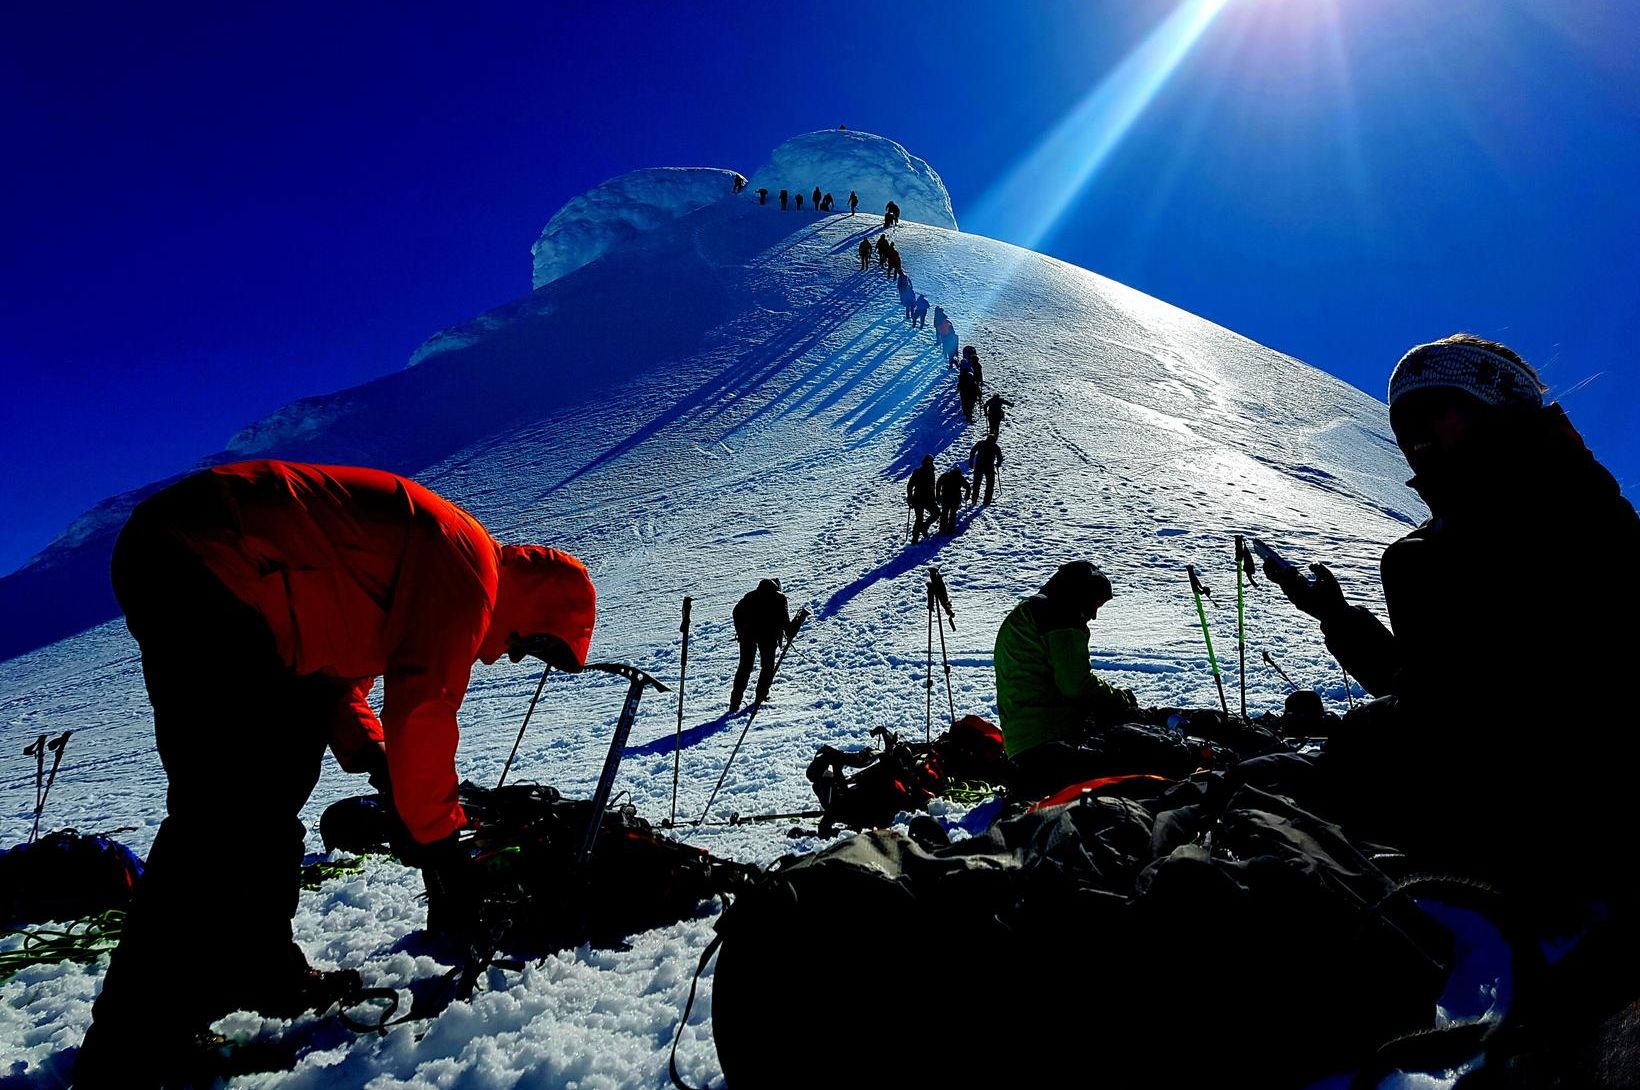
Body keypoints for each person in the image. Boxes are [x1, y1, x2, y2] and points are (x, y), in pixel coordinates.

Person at [73, 461, 598, 1087]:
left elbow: (334, 673)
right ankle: (130, 1044)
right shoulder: (467, 569)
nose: (510, 654)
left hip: (216, 572)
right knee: (219, 815)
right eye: (528, 645)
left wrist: (374, 755)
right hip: (209, 561)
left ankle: (261, 970)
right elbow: (423, 704)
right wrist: (437, 837)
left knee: (270, 788)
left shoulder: (438, 558)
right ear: (534, 605)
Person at [1264, 334, 1640, 925]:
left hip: (1554, 848)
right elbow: (1431, 688)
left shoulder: (1577, 521)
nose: (1416, 439)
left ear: (1503, 411)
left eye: (1437, 412)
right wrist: (1334, 617)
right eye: (1403, 423)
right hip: (1493, 835)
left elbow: (1516, 713)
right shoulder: (1437, 547)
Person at [993, 562, 1139, 790]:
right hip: (1049, 740)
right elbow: (1076, 685)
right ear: (1082, 596)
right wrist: (1120, 700)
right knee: (1133, 762)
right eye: (1095, 604)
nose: (1094, 615)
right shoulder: (1058, 615)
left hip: (1021, 743)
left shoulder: (1028, 612)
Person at [730, 578, 797, 713]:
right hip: (768, 637)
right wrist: (796, 624)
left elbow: (736, 612)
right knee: (767, 667)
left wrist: (741, 632)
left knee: (744, 667)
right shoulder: (779, 599)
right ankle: (760, 696)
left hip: (748, 636)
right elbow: (787, 625)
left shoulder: (750, 596)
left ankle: (734, 703)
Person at [906, 455, 938, 544]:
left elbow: (932, 487)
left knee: (934, 514)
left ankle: (923, 529)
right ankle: (916, 537)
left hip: (923, 498)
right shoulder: (919, 472)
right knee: (921, 518)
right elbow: (910, 485)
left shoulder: (930, 472)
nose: (930, 463)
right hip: (920, 499)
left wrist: (910, 497)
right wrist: (909, 497)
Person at [969, 434, 1003, 504]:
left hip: (979, 465)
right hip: (989, 466)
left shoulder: (980, 443)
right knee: (990, 484)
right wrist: (998, 463)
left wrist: (971, 461)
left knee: (976, 483)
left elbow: (973, 451)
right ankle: (987, 500)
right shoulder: (995, 446)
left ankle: (974, 499)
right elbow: (1000, 456)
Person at [936, 465, 968, 535]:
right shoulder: (959, 477)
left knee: (944, 513)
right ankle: (951, 529)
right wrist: (966, 496)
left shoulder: (945, 475)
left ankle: (942, 529)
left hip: (945, 498)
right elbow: (967, 487)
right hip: (955, 499)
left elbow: (938, 484)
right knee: (953, 514)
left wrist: (938, 496)